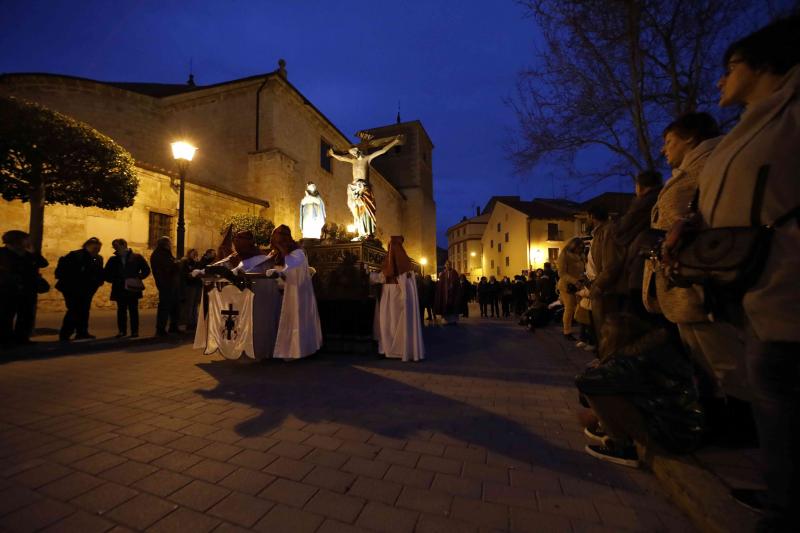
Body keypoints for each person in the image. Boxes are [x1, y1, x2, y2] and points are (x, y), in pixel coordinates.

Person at [684, 17, 800, 529]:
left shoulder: (789, 118)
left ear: (765, 63)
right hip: (758, 287)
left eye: (729, 67)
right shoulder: (757, 121)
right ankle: (782, 491)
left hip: (786, 284)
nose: (719, 80)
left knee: (780, 391)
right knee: (771, 396)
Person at [576, 313, 705, 468]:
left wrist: (599, 367)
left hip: (670, 434)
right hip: (683, 426)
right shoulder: (654, 349)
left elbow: (585, 384)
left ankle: (621, 446)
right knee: (609, 386)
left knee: (599, 390)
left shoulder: (633, 360)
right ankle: (608, 428)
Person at [265, 225, 322, 358]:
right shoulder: (274, 253)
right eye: (275, 235)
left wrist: (283, 251)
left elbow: (292, 269)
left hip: (292, 292)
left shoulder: (298, 252)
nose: (275, 238)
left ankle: (292, 349)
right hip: (275, 292)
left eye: (279, 235)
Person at [371, 236, 425, 361]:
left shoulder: (401, 263)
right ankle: (389, 349)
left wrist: (370, 277)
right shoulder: (405, 263)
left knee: (389, 323)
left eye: (390, 245)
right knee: (389, 323)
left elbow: (385, 275)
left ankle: (393, 350)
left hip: (393, 296)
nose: (389, 248)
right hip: (392, 295)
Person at [0, 230, 48, 347]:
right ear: (16, 241)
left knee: (25, 316)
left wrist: (33, 252)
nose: (28, 241)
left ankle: (21, 339)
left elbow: (43, 263)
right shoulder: (2, 253)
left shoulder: (28, 254)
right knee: (6, 316)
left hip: (27, 290)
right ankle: (5, 341)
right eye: (25, 239)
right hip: (7, 290)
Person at [55, 237, 104, 341]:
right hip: (72, 288)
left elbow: (99, 272)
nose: (97, 251)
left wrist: (98, 282)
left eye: (98, 249)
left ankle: (82, 332)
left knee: (84, 310)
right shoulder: (75, 255)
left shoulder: (98, 258)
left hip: (88, 289)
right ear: (87, 246)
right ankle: (65, 334)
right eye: (95, 248)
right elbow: (64, 272)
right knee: (74, 310)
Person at [103, 239, 150, 338]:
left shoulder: (136, 257)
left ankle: (134, 331)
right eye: (113, 246)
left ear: (123, 245)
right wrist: (113, 280)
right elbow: (106, 273)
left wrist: (138, 277)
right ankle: (122, 331)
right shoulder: (113, 259)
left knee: (133, 310)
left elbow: (146, 270)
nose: (115, 248)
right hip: (119, 288)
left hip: (132, 288)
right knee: (121, 311)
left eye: (116, 245)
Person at [150, 236, 181, 336]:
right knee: (165, 307)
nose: (171, 245)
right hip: (166, 284)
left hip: (169, 284)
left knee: (174, 306)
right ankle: (161, 329)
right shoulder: (160, 254)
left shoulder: (163, 254)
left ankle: (173, 326)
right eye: (170, 243)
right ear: (166, 244)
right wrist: (176, 263)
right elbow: (168, 267)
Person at [556, 238, 585, 340]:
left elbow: (582, 270)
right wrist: (574, 281)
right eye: (579, 247)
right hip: (567, 286)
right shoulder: (564, 255)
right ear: (573, 246)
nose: (580, 249)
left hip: (579, 285)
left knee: (580, 307)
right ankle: (567, 331)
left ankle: (582, 329)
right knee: (569, 308)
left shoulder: (581, 256)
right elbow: (562, 273)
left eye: (582, 247)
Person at [179, 249, 202, 330]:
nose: (195, 255)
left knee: (195, 305)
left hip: (197, 285)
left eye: (195, 253)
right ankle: (189, 323)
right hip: (190, 285)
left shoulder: (196, 262)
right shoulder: (186, 261)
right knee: (190, 305)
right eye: (193, 253)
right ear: (189, 254)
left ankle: (194, 322)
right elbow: (184, 273)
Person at [434, 260, 460, 325]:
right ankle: (446, 320)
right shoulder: (443, 273)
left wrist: (452, 285)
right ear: (445, 265)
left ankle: (453, 320)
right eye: (446, 264)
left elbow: (456, 282)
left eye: (449, 264)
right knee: (445, 306)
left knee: (452, 306)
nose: (448, 265)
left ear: (451, 265)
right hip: (445, 294)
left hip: (452, 294)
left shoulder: (454, 272)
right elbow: (440, 284)